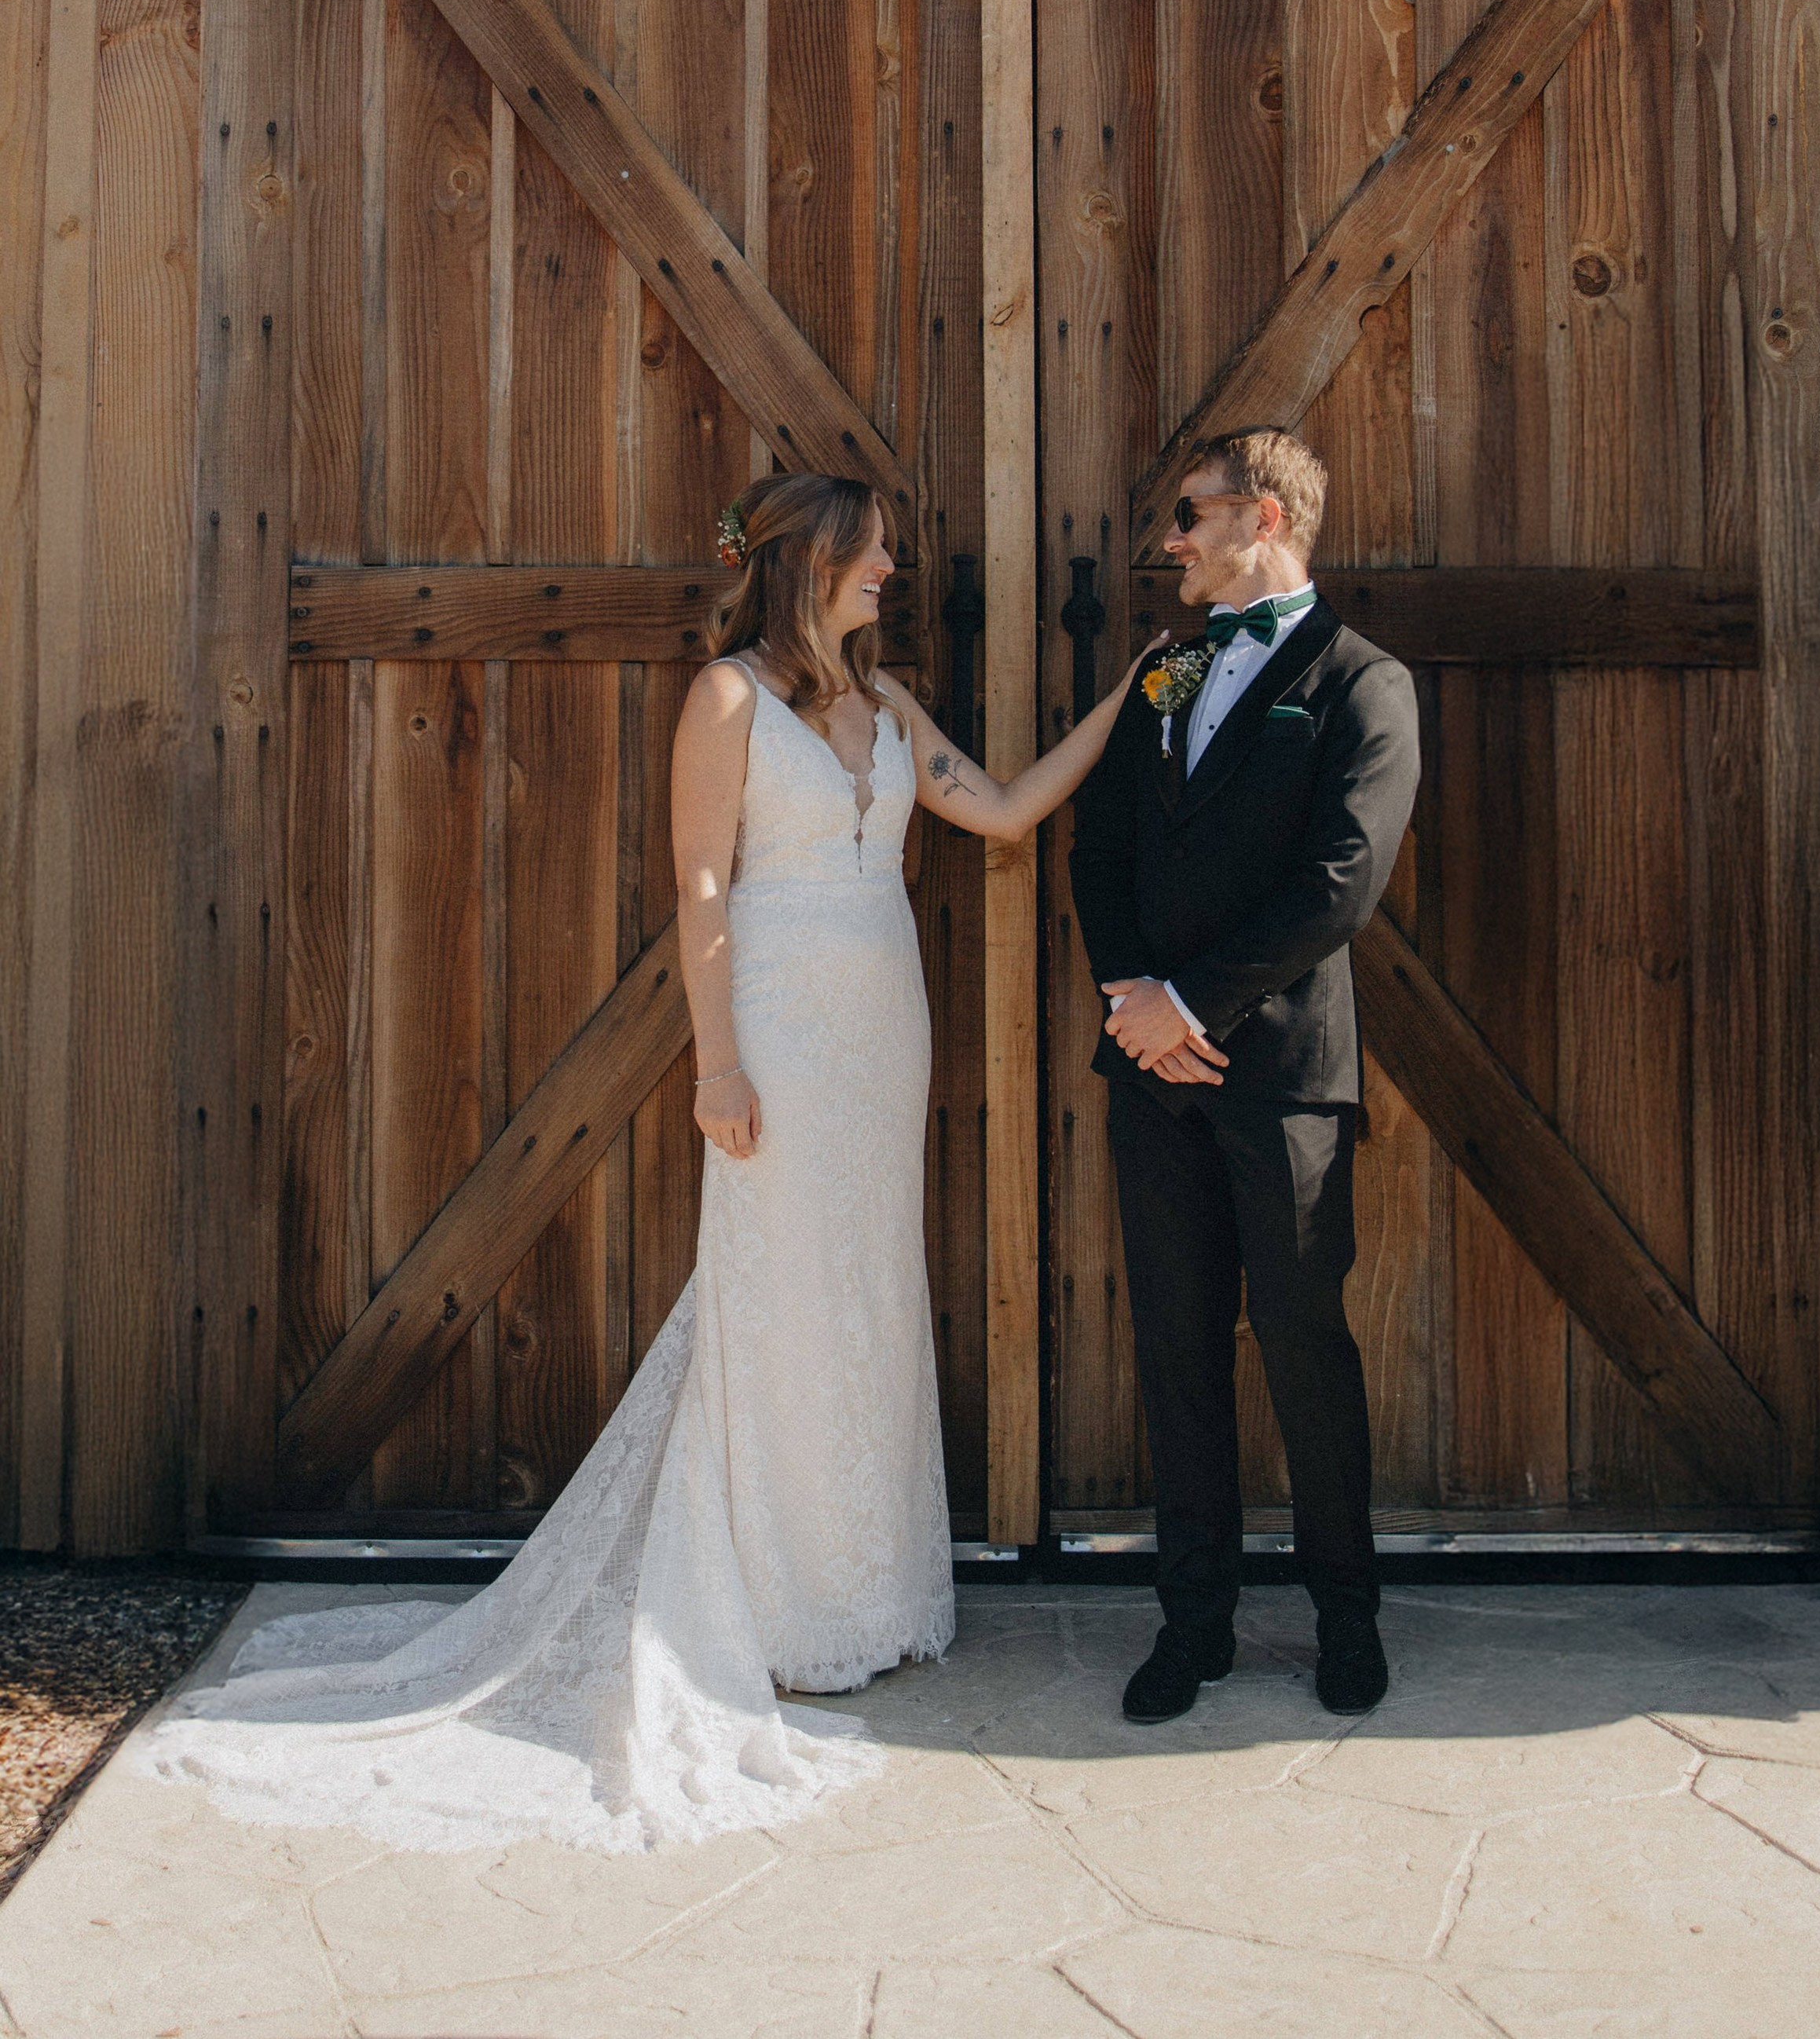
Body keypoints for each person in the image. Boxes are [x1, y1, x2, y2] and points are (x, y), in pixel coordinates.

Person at [145, 474, 1155, 1854]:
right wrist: (716, 1061)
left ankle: (868, 1594)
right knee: (780, 1298)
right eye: (874, 556)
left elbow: (1013, 808)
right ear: (811, 561)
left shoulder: (891, 706)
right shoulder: (728, 698)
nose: (893, 573)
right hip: (782, 1037)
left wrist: (1135, 697)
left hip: (884, 1039)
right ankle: (773, 1604)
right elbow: (701, 886)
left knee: (864, 1295)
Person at [1067, 426, 1419, 1726]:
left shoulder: (1361, 683)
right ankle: (1193, 1623)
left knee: (1304, 1346)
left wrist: (1192, 1003)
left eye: (1188, 513)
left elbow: (1342, 882)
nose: (1171, 538)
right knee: (1174, 1350)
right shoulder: (1168, 668)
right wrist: (1129, 999)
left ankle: (1347, 1620)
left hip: (1280, 1079)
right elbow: (1099, 847)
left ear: (1260, 516)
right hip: (1151, 1075)